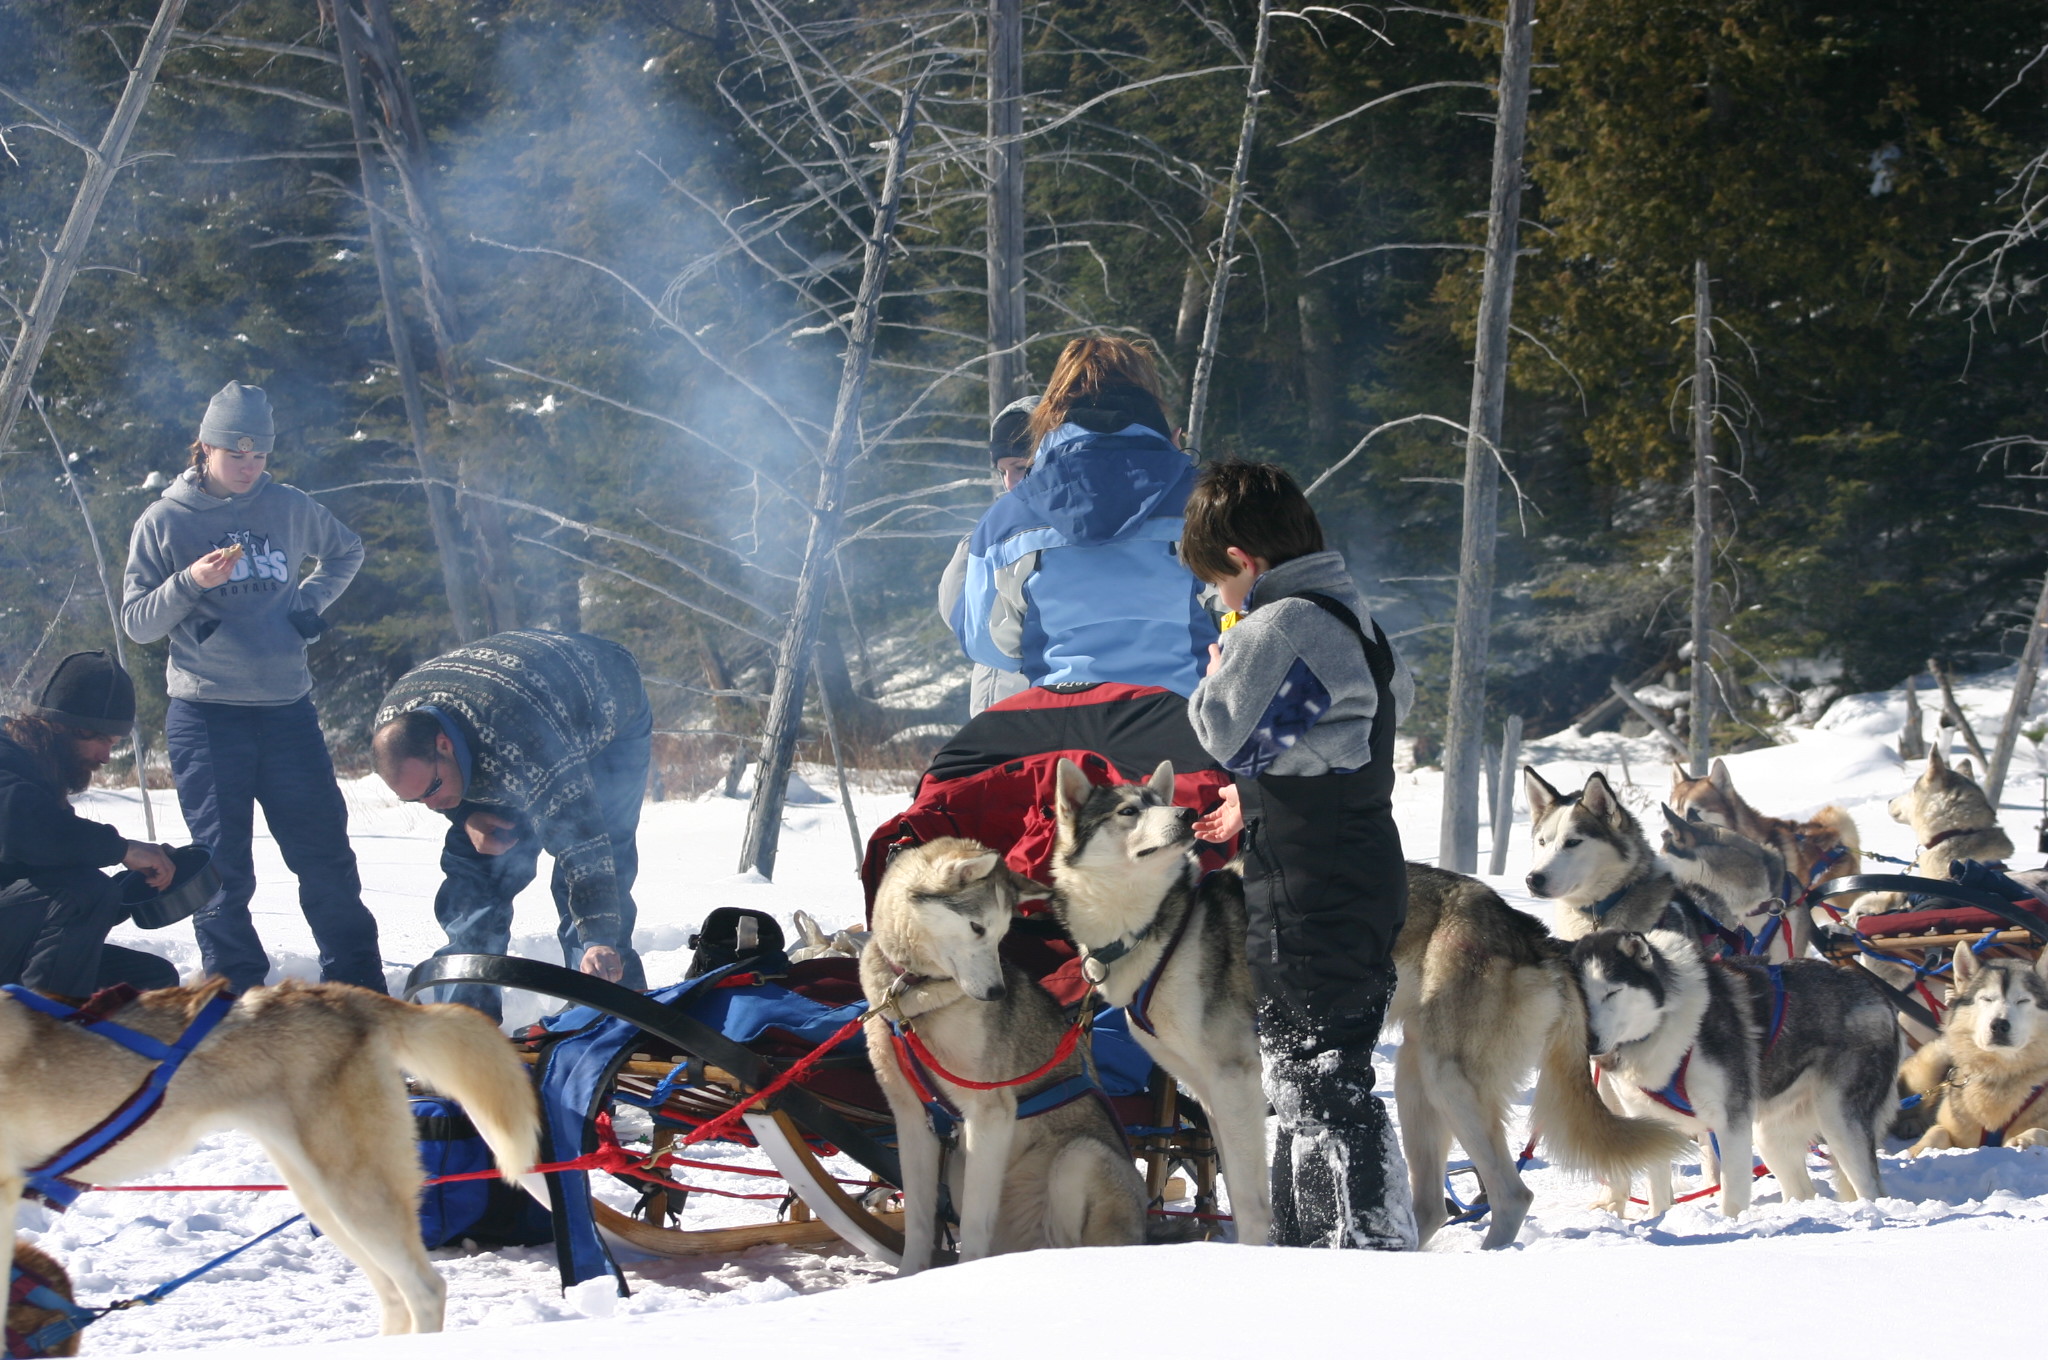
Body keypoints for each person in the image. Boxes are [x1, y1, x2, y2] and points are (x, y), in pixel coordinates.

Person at [1180, 460, 1418, 1251]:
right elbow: (1361, 720)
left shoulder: (1282, 627)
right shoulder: (1353, 618)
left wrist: (1221, 666)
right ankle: (1349, 1237)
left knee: (1314, 1076)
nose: (1219, 602)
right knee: (1325, 1070)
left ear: (1244, 561)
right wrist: (1260, 793)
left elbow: (1222, 730)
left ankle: (1355, 1249)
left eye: (1218, 583)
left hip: (1310, 884)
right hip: (1357, 865)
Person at [122, 381, 382, 994]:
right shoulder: (165, 521)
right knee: (222, 869)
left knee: (325, 859)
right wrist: (188, 582)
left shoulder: (288, 506)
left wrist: (306, 603)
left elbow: (346, 551)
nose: (248, 467)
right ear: (204, 448)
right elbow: (137, 624)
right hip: (207, 715)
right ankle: (235, 989)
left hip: (288, 710)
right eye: (235, 454)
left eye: (259, 455)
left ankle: (359, 987)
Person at [370, 629, 653, 1021]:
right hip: (505, 714)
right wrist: (463, 815)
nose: (430, 804)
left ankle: (610, 1008)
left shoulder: (524, 742)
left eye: (433, 790)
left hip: (603, 703)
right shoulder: (396, 729)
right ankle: (466, 1021)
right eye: (416, 799)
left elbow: (585, 846)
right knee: (477, 870)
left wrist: (599, 938)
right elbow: (439, 792)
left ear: (443, 746)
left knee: (599, 853)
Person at [953, 337, 1218, 697]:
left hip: (1059, 722)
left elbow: (984, 643)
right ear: (1149, 398)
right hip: (1180, 715)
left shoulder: (1008, 519)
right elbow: (1248, 608)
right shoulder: (1208, 500)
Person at [0, 651, 180, 995]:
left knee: (151, 983)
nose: (106, 757)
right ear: (65, 725)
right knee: (84, 890)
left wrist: (131, 891)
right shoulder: (6, 757)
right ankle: (43, 1036)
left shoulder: (43, 771)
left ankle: (70, 1033)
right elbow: (30, 831)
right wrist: (124, 849)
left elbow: (52, 902)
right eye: (101, 740)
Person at [938, 395, 1038, 716]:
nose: (1011, 482)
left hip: (1034, 709)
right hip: (997, 704)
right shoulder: (987, 538)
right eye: (1003, 471)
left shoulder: (1069, 535)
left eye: (1021, 467)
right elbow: (957, 613)